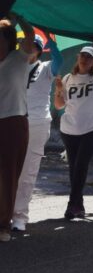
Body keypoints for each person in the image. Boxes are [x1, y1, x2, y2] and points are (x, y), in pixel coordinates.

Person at [54, 36, 93, 220]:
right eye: (83, 56)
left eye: (89, 58)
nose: (85, 59)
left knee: (81, 165)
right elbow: (59, 105)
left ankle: (71, 205)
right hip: (69, 129)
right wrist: (58, 89)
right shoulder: (67, 78)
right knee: (74, 168)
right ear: (78, 58)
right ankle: (79, 206)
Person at [12, 34, 63, 232]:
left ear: (39, 49)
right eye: (22, 44)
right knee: (8, 171)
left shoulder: (45, 68)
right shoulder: (13, 65)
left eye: (31, 45)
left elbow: (59, 63)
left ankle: (19, 216)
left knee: (27, 172)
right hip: (14, 121)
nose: (26, 47)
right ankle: (5, 212)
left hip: (37, 123)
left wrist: (53, 44)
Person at [0, 15, 37, 241]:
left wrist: (19, 17)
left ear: (8, 41)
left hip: (14, 122)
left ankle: (3, 225)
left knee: (8, 175)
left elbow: (30, 35)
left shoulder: (20, 57)